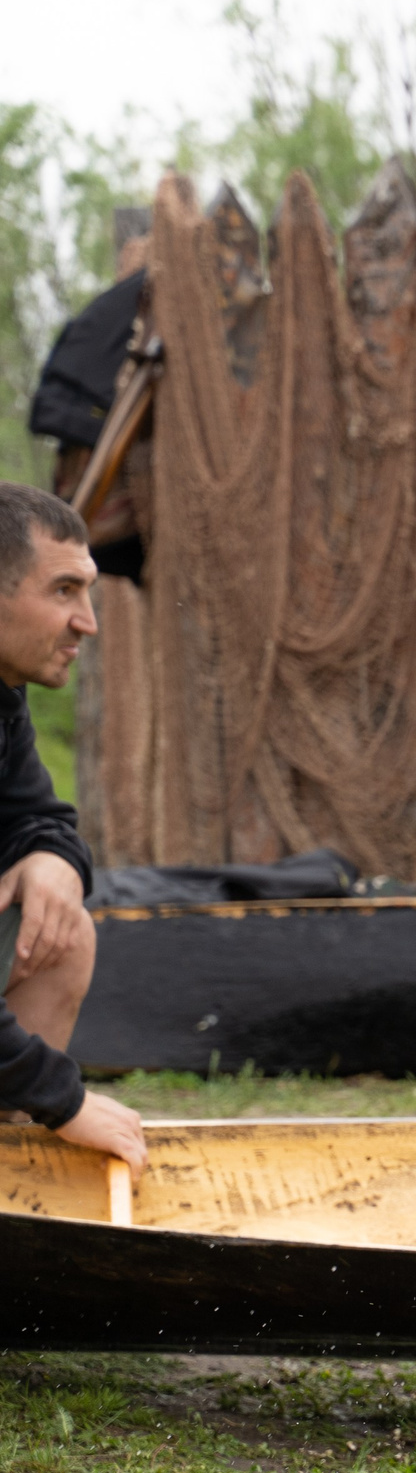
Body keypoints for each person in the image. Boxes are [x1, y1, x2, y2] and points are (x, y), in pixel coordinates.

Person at [0, 483, 142, 1172]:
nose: (87, 621)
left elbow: (42, 816)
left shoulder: (3, 693)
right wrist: (67, 1101)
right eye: (62, 591)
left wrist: (54, 858)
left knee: (59, 926)